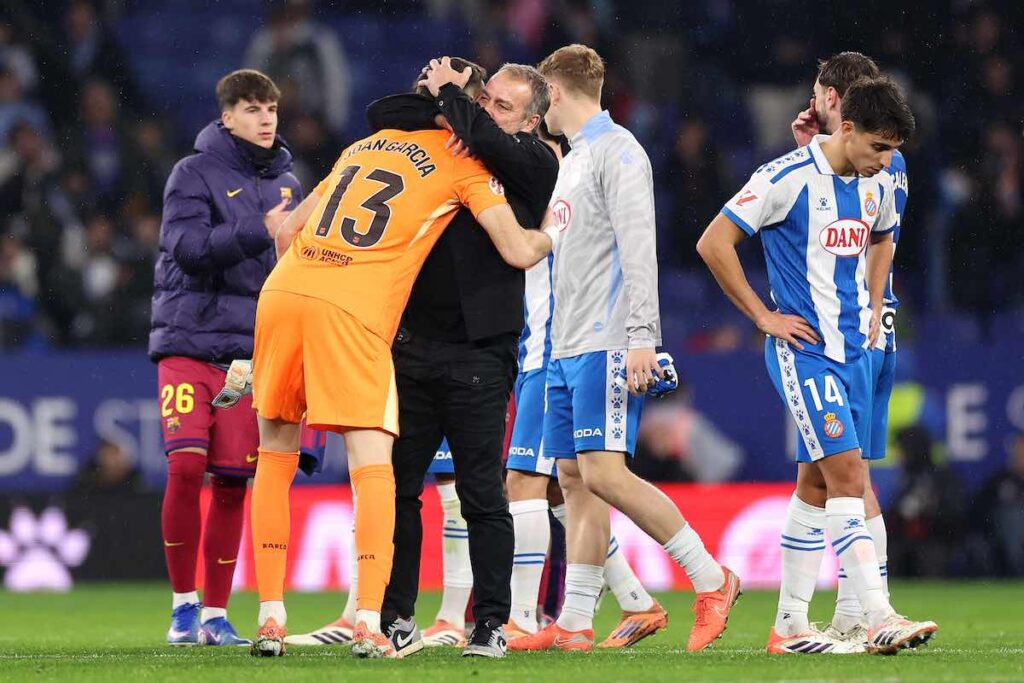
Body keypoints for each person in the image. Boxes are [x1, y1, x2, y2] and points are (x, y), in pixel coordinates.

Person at [245, 66, 554, 658]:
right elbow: (517, 248)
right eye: (480, 103)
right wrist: (550, 237)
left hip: (302, 299)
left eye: (500, 107)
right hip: (376, 324)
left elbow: (285, 233)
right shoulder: (464, 160)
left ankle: (273, 617)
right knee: (384, 475)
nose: (485, 115)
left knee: (280, 459)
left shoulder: (366, 147)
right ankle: (375, 620)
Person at [508, 44, 739, 655]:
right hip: (565, 346)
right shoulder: (574, 160)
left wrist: (643, 339)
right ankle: (576, 621)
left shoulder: (620, 151)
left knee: (606, 475)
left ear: (553, 93)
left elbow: (642, 250)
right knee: (573, 480)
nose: (539, 111)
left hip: (609, 343)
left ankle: (712, 579)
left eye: (541, 99)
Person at [697, 75, 938, 655]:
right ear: (847, 128)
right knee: (851, 476)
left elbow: (881, 239)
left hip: (855, 350)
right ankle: (877, 615)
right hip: (804, 351)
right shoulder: (783, 178)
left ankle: (789, 626)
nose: (886, 161)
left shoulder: (875, 183)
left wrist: (877, 303)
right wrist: (762, 316)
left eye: (893, 151)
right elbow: (714, 243)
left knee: (815, 483)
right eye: (879, 147)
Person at [149, 69, 301, 647]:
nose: (266, 119)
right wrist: (257, 230)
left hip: (247, 352)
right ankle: (182, 607)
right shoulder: (192, 173)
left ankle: (215, 616)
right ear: (227, 116)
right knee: (186, 466)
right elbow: (185, 250)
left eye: (271, 109)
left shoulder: (288, 180)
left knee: (235, 483)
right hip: (189, 342)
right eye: (253, 109)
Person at [504, 119, 667, 649]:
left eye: (504, 107)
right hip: (543, 346)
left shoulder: (561, 177)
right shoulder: (548, 178)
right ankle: (633, 602)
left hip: (554, 348)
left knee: (531, 484)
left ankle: (521, 620)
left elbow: (629, 247)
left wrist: (640, 332)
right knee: (565, 485)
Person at [789, 51, 911, 648]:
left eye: (817, 93)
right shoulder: (874, 160)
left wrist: (870, 306)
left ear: (837, 102)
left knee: (845, 475)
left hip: (857, 332)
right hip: (858, 331)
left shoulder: (875, 163)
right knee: (834, 473)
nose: (810, 102)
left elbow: (872, 238)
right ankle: (854, 614)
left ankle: (858, 613)